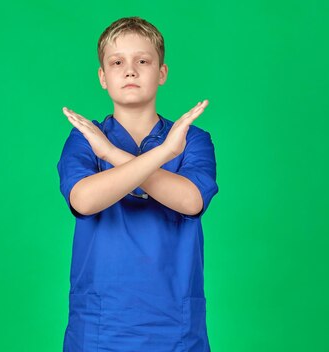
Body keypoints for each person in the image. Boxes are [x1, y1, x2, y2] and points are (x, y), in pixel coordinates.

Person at [57, 16, 219, 351]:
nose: (130, 70)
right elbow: (83, 200)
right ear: (103, 77)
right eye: (117, 62)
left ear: (162, 73)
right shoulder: (85, 139)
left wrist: (112, 153)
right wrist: (161, 154)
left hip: (176, 327)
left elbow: (191, 201)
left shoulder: (192, 140)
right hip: (101, 326)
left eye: (142, 61)